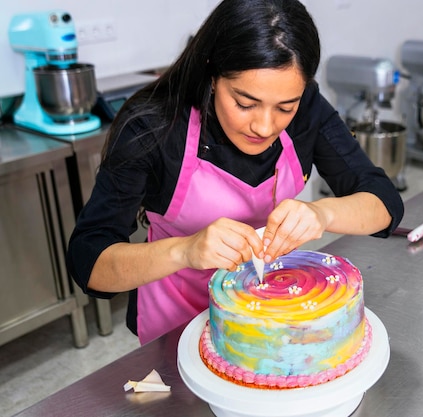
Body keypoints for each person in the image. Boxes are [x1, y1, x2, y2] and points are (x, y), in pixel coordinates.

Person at [67, 0, 404, 345]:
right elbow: (89, 262)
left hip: (269, 319)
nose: (264, 126)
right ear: (213, 74)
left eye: (285, 108)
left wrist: (322, 212)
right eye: (245, 103)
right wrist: (185, 250)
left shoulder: (307, 109)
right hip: (176, 327)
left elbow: (384, 202)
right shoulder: (154, 125)